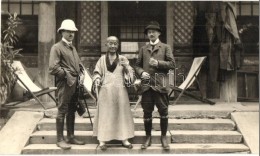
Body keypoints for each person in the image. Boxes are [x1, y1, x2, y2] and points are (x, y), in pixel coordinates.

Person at [135, 21, 175, 150]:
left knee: (163, 111)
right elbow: (137, 66)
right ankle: (148, 138)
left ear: (159, 33)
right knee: (147, 113)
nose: (151, 34)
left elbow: (172, 64)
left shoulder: (165, 47)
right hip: (146, 86)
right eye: (149, 32)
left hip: (160, 85)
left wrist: (158, 63)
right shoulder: (143, 49)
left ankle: (163, 138)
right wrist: (142, 72)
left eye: (153, 31)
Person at [92, 36, 135, 150]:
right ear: (106, 45)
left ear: (118, 45)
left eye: (115, 43)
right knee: (105, 114)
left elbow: (130, 75)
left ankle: (124, 138)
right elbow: (96, 72)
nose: (113, 46)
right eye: (110, 43)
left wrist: (126, 67)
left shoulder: (122, 58)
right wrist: (96, 78)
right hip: (106, 90)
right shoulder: (101, 59)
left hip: (120, 90)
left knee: (121, 113)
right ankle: (102, 140)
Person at [49, 19, 85, 150]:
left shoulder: (72, 48)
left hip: (75, 83)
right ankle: (60, 139)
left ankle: (70, 136)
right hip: (65, 83)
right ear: (62, 32)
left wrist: (79, 68)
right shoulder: (56, 48)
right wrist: (67, 73)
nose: (71, 34)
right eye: (68, 31)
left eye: (73, 31)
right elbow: (53, 68)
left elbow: (76, 63)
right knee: (62, 109)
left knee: (72, 109)